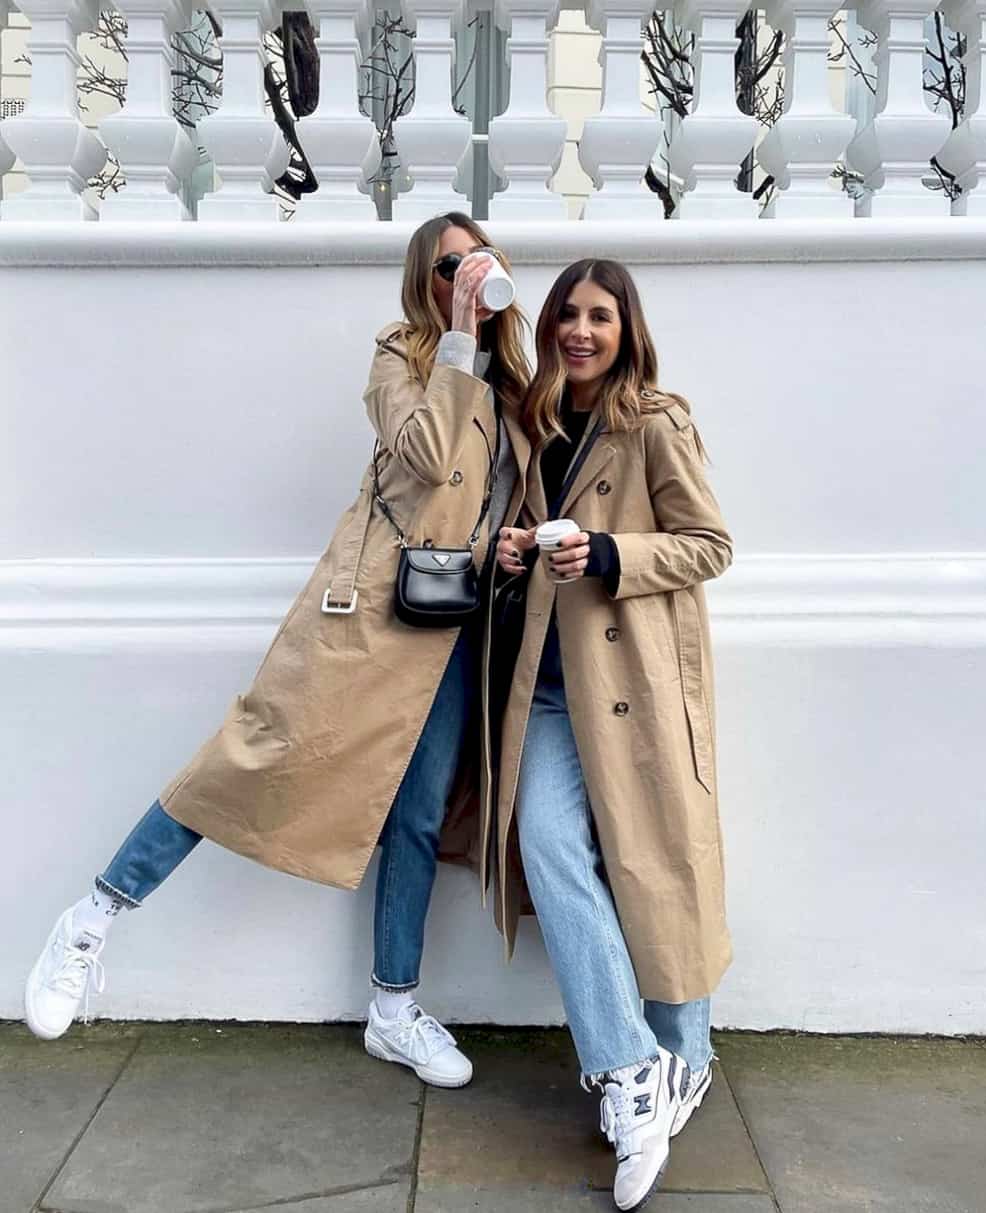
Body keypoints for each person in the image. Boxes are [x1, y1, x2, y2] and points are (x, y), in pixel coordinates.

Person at [25, 212, 532, 1090]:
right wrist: (455, 338)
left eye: (475, 258)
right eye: (448, 262)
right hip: (368, 614)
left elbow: (478, 510)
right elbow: (420, 454)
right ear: (426, 277)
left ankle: (392, 1005)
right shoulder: (401, 355)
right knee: (248, 753)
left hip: (451, 626)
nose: (465, 272)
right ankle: (92, 916)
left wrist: (506, 548)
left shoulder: (513, 384)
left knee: (412, 816)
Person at [493, 259, 733, 1209]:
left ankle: (690, 1051)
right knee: (550, 844)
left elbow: (711, 544)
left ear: (627, 328)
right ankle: (634, 1067)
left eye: (600, 316)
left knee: (659, 863)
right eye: (568, 315)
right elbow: (525, 530)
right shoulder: (537, 421)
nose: (580, 331)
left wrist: (609, 552)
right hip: (549, 686)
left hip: (632, 679)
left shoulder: (653, 421)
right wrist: (512, 549)